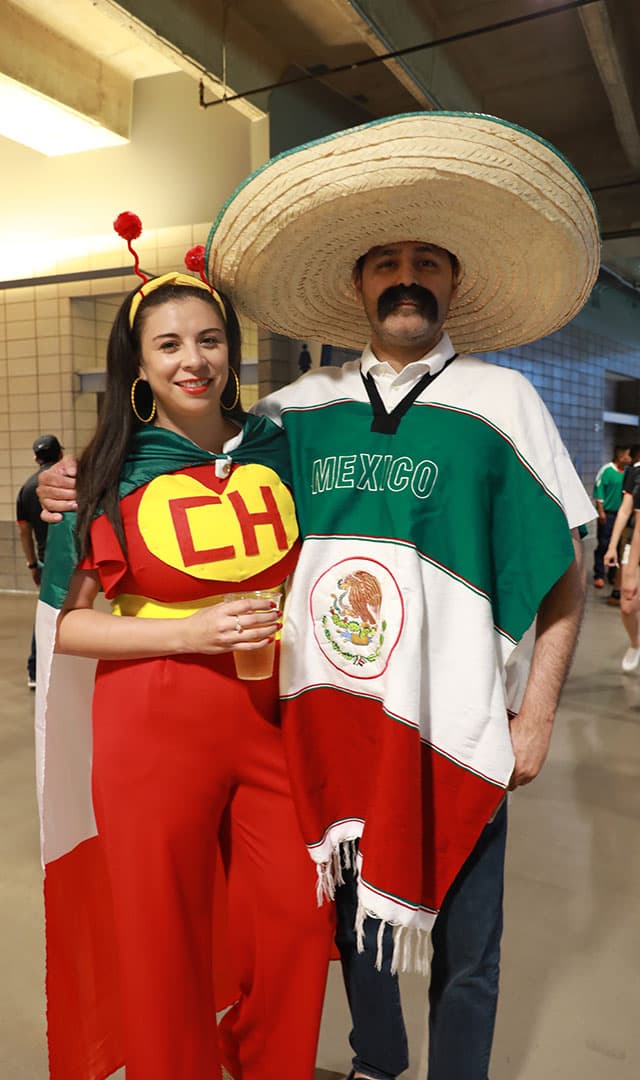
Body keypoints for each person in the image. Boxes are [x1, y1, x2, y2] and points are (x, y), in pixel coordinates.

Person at [39, 113, 599, 1080]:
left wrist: (539, 713)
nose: (408, 275)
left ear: (454, 280)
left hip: (459, 717)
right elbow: (187, 445)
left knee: (467, 953)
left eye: (428, 259)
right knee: (349, 939)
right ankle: (375, 1065)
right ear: (358, 286)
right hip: (330, 725)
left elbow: (564, 572)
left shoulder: (506, 403)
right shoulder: (295, 415)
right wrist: (75, 480)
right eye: (386, 261)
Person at [36, 248, 333, 1079]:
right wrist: (188, 632)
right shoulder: (104, 469)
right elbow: (69, 627)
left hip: (273, 715)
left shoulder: (280, 445)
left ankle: (265, 1061)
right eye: (167, 345)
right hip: (151, 722)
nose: (192, 360)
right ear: (138, 362)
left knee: (297, 926)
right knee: (161, 933)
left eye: (208, 340)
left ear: (231, 350)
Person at [15, 433, 62, 688]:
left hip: (46, 562)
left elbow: (24, 531)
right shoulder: (69, 482)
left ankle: (35, 670)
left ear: (35, 458)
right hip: (72, 561)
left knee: (46, 614)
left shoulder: (26, 489)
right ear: (61, 455)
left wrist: (32, 563)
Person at [604, 443, 640, 671]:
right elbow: (627, 512)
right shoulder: (635, 472)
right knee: (627, 605)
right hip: (636, 544)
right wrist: (612, 546)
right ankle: (635, 644)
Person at [592, 445, 631, 591]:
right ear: (621, 457)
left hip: (621, 515)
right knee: (604, 544)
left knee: (618, 546)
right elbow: (599, 491)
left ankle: (613, 574)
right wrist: (601, 512)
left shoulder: (628, 472)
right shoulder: (607, 471)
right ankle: (599, 574)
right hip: (607, 514)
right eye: (628, 455)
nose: (629, 459)